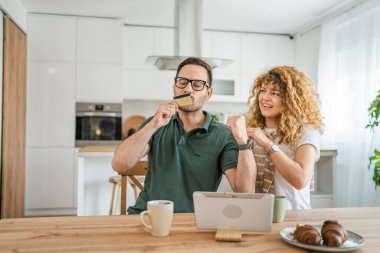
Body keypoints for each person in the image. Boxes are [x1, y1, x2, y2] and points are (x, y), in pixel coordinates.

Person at [112, 57, 255, 214]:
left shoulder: (223, 135)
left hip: (193, 221)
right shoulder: (156, 124)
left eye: (197, 84)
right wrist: (153, 125)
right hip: (147, 216)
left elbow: (245, 193)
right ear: (174, 87)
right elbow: (119, 164)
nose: (188, 89)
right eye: (182, 82)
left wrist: (243, 141)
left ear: (208, 94)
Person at [227, 66, 324, 210]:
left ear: (291, 99)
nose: (265, 97)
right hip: (257, 214)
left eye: (274, 93)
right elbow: (243, 191)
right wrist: (242, 141)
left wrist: (266, 143)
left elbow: (300, 179)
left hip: (295, 216)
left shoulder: (306, 132)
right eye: (263, 91)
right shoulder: (249, 133)